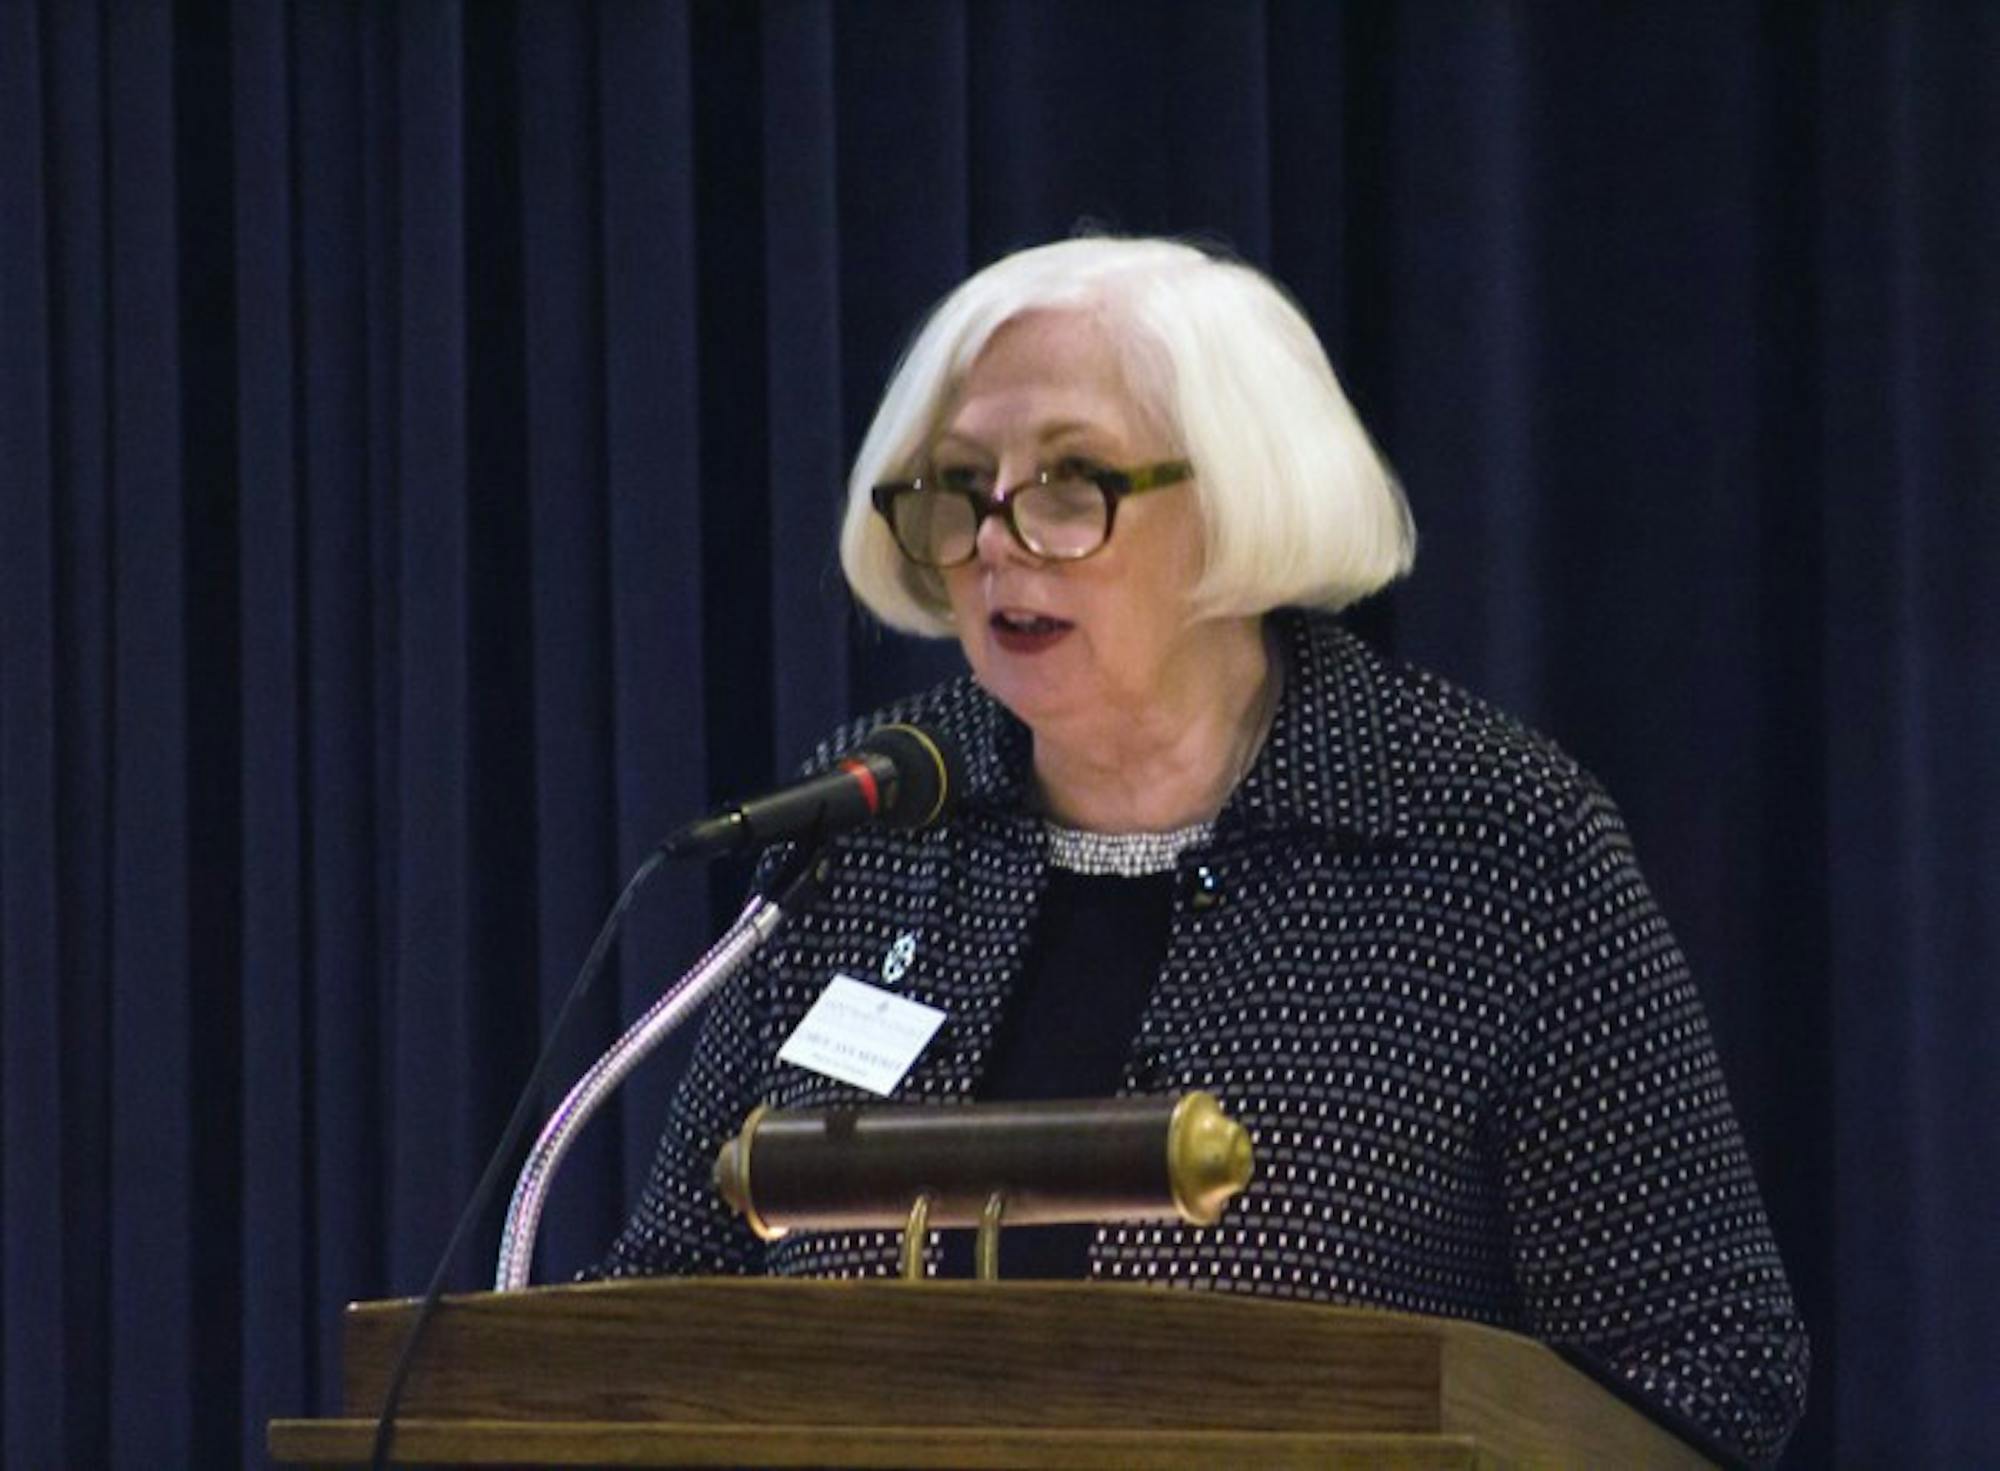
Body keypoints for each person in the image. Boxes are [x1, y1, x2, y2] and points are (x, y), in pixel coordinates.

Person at [594, 236, 1808, 1465]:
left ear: (1238, 493)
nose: (996, 539)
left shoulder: (1488, 838)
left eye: (1072, 480)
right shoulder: (872, 815)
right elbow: (665, 1291)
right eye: (960, 482)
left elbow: (1704, 1362)